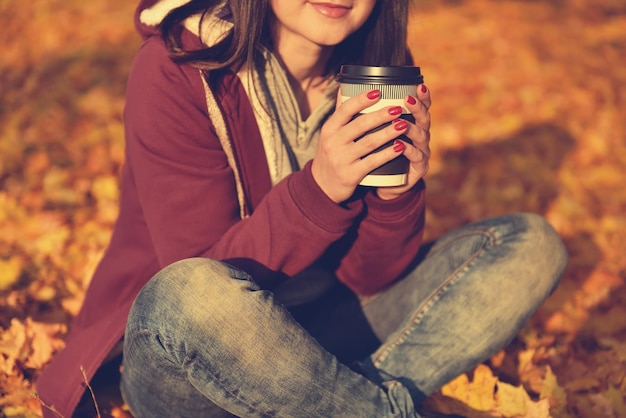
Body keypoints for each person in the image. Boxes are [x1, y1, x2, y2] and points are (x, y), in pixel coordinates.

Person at [36, 0, 568, 417]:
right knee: (191, 291)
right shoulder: (178, 69)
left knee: (530, 245)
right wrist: (322, 187)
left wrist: (395, 194)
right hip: (188, 364)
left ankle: (331, 407)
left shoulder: (377, 81)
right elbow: (201, 277)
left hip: (320, 336)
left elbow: (371, 278)